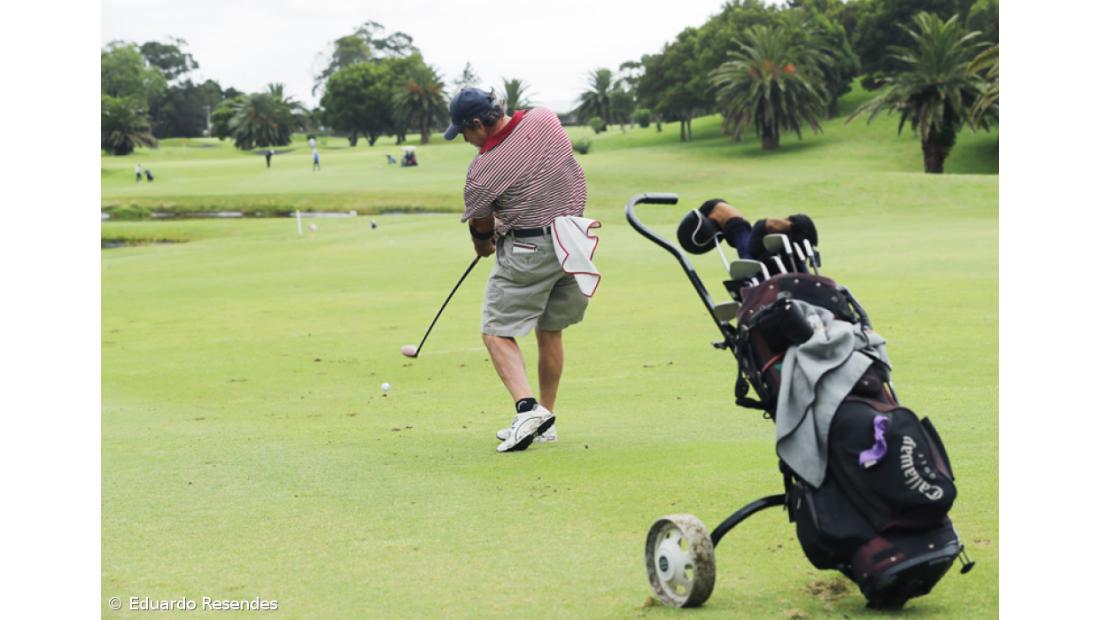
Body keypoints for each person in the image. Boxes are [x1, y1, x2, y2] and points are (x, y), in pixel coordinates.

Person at [445, 87, 590, 453]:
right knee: (550, 330)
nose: (464, 139)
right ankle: (546, 419)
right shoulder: (545, 118)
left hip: (529, 250)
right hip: (574, 243)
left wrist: (483, 245)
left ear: (477, 123)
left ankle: (527, 409)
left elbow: (482, 225)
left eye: (463, 131)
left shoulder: (482, 169)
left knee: (496, 331)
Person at [676, 199, 818, 261]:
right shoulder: (754, 234)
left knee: (758, 229)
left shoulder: (757, 230)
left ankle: (798, 226)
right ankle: (798, 227)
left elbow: (769, 226)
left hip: (740, 234)